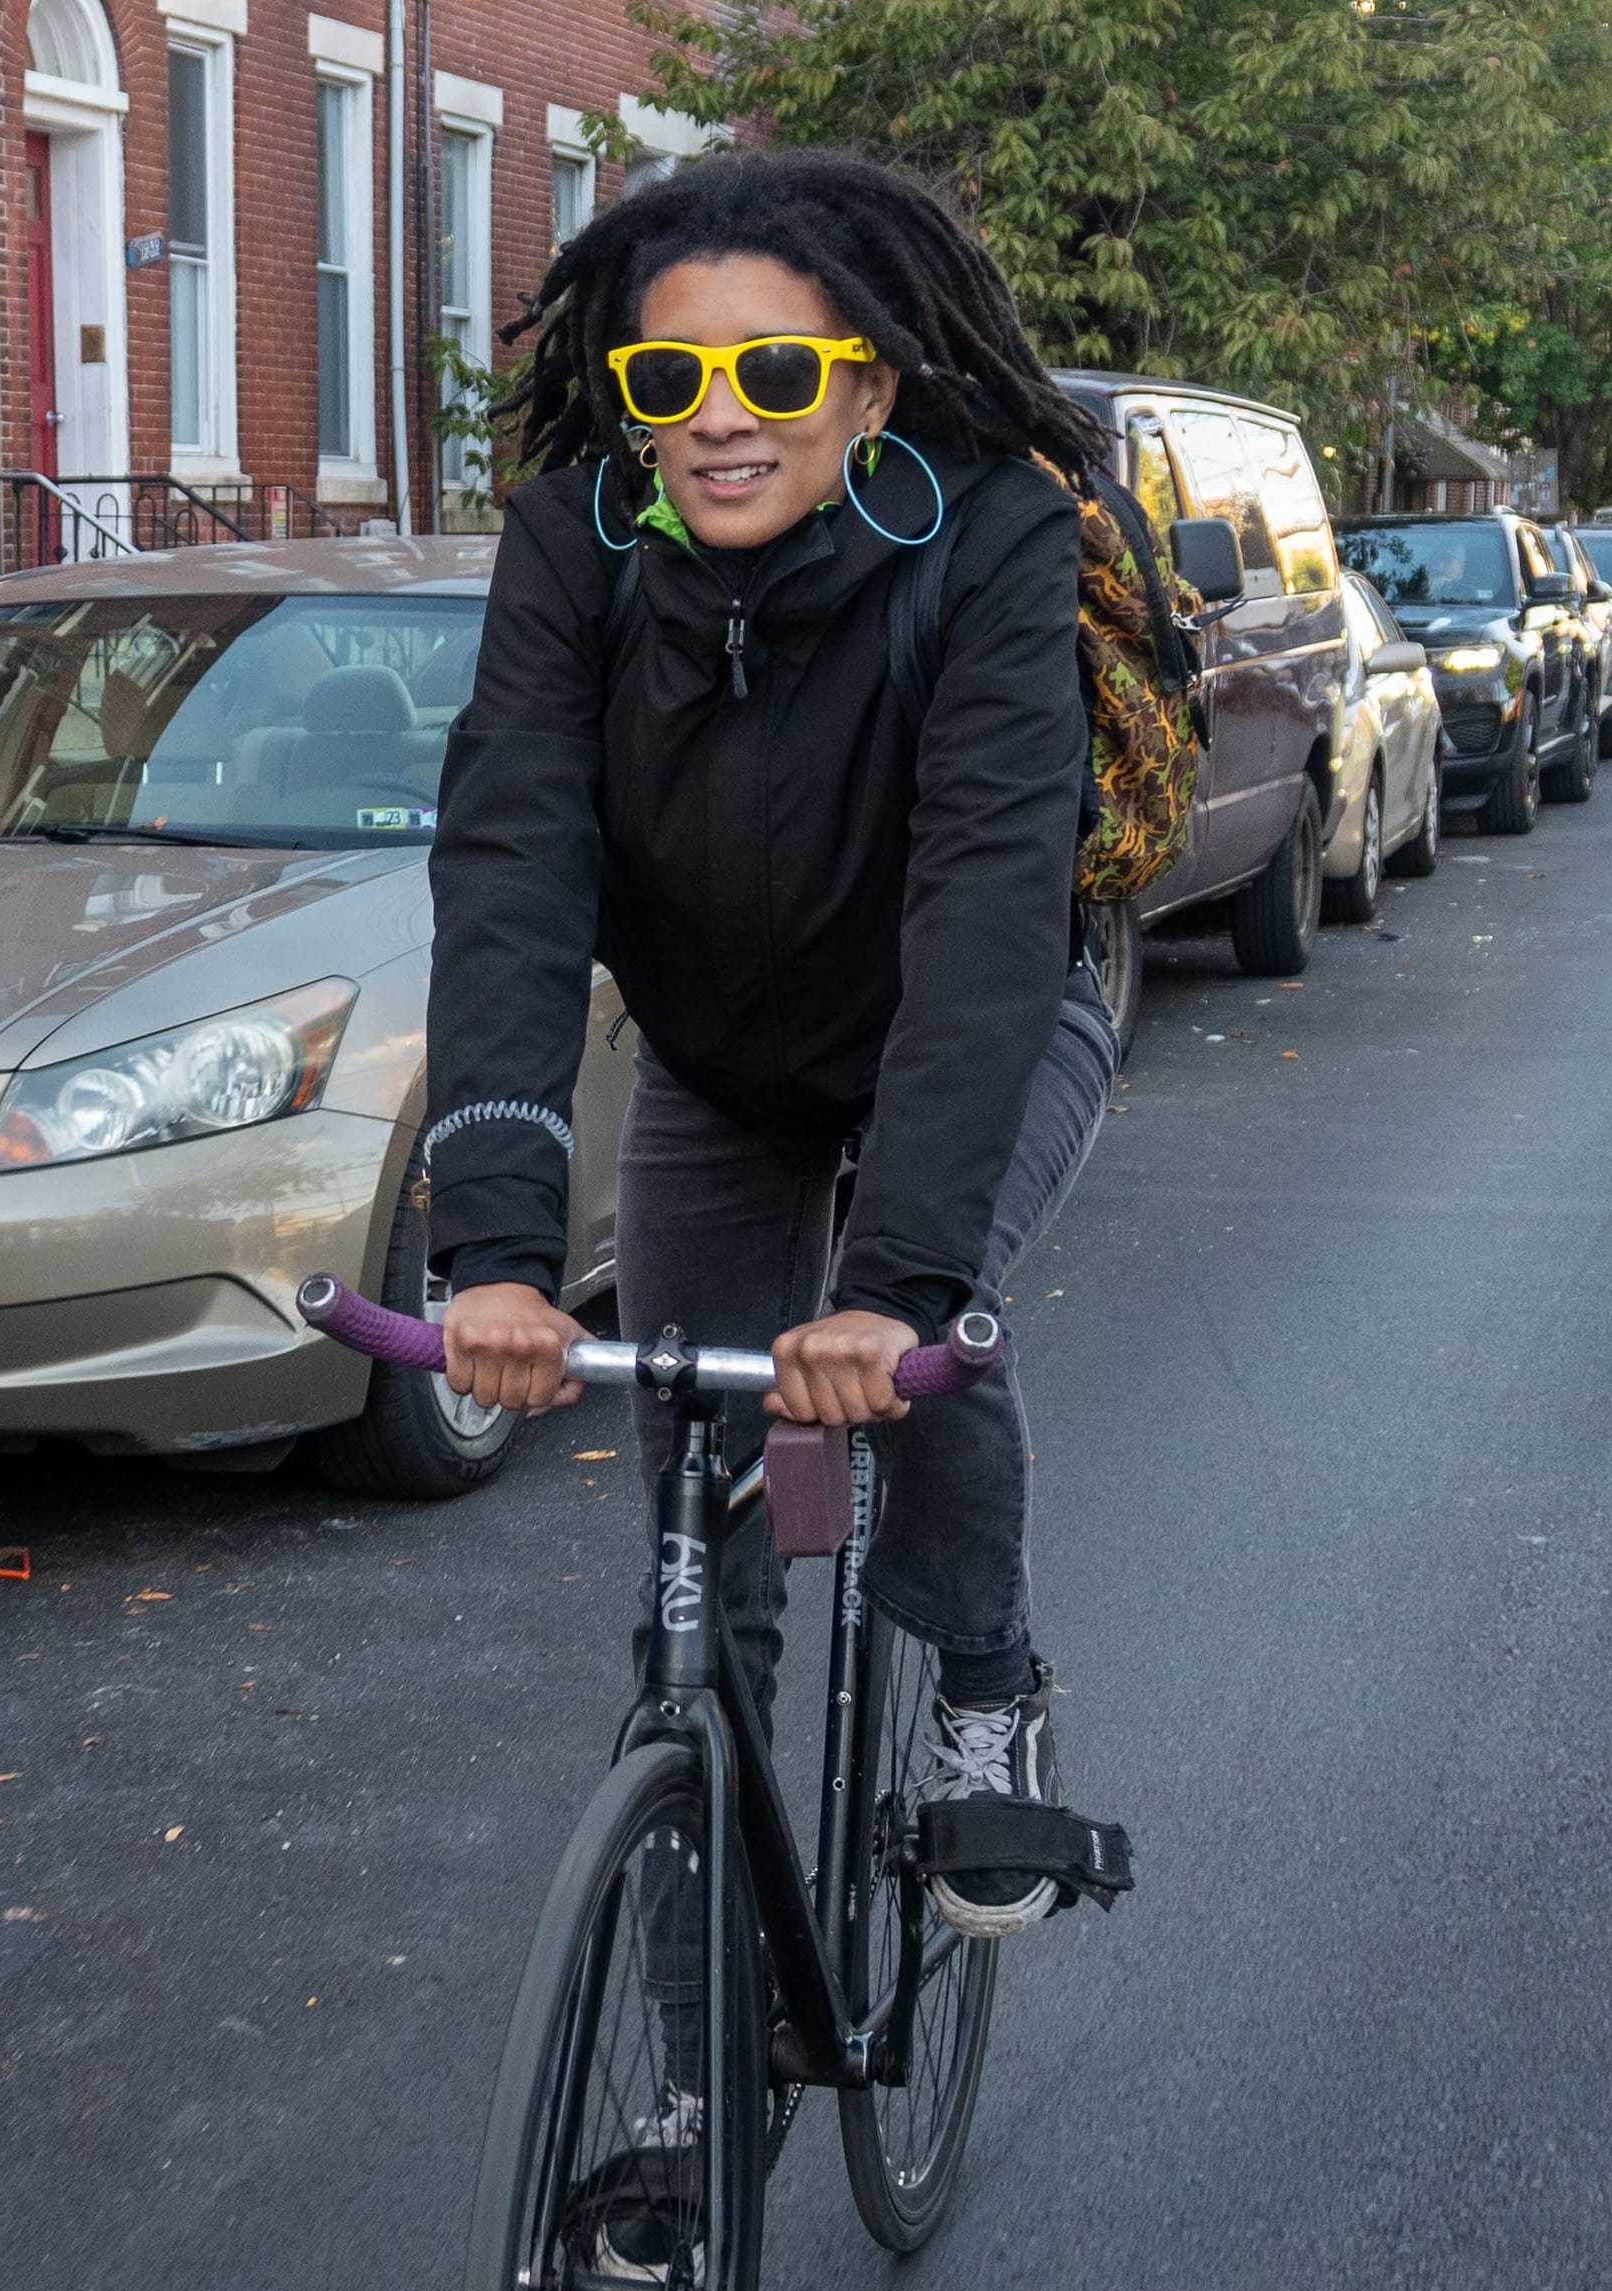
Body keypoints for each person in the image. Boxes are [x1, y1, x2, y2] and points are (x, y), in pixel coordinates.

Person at [424, 147, 1122, 1940]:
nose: (721, 418)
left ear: (868, 388)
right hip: (723, 1067)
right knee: (697, 1494)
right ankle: (689, 2027)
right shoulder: (573, 550)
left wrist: (892, 1284)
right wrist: (495, 1248)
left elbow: (985, 904)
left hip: (980, 1020)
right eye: (671, 377)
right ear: (629, 399)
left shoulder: (990, 535)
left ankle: (984, 1678)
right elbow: (512, 870)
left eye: (778, 372)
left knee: (925, 1339)